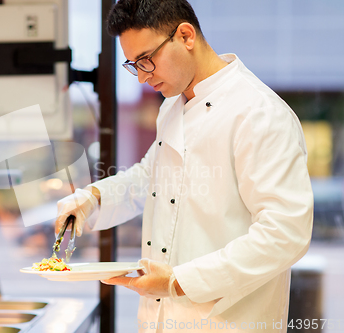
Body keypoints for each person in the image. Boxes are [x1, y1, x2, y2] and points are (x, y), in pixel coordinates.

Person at [55, 0, 314, 332]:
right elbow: (151, 175)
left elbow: (285, 233)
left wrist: (179, 282)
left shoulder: (259, 113)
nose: (142, 78)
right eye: (134, 65)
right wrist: (92, 197)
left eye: (147, 60)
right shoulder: (173, 107)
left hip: (228, 322)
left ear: (186, 35)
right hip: (161, 319)